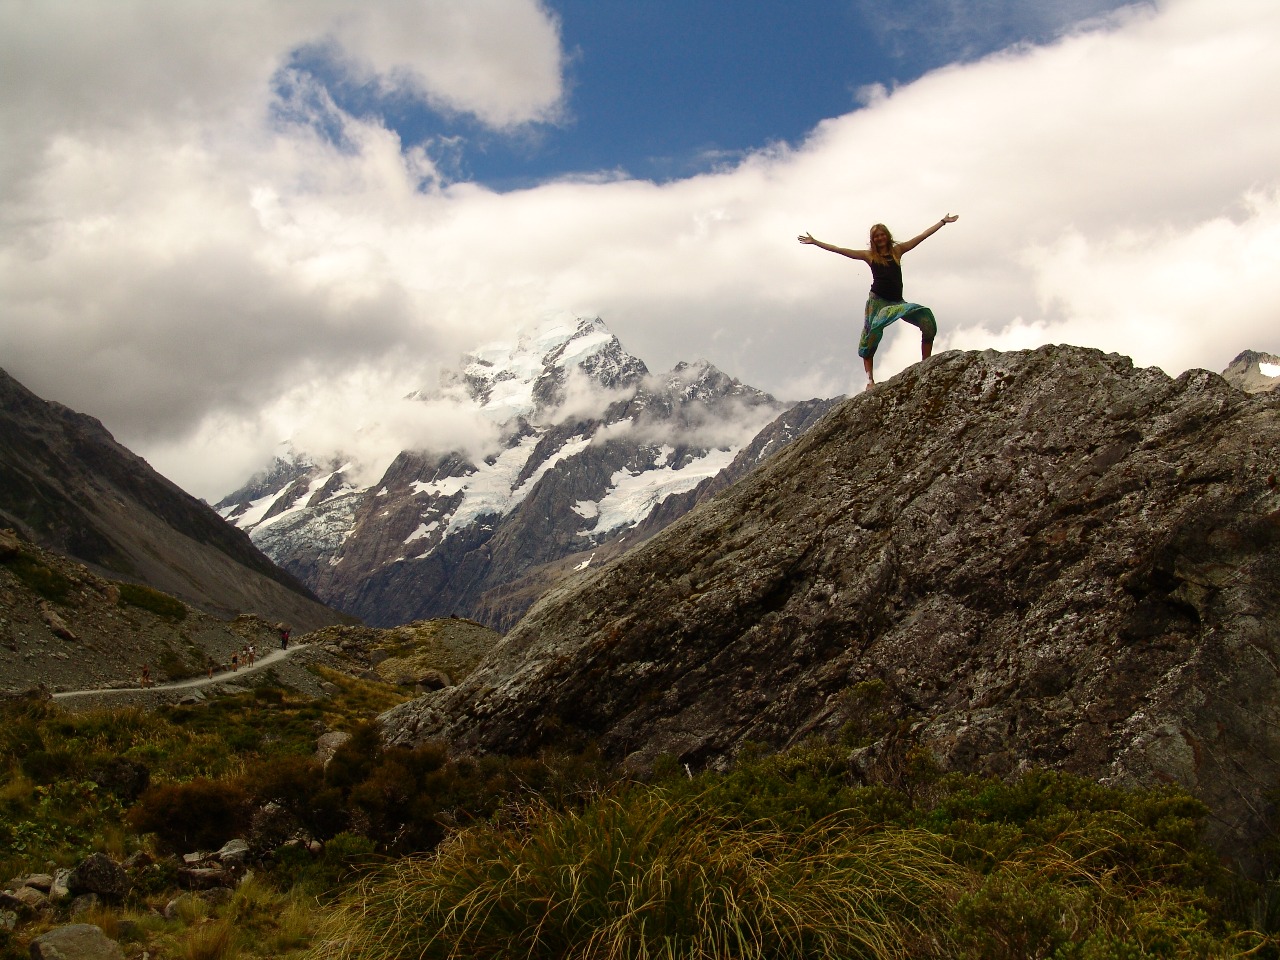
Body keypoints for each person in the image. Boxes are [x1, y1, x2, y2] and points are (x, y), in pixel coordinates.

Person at [798, 214, 958, 390]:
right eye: (876, 236)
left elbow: (922, 236)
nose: (880, 238)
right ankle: (870, 381)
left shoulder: (897, 251)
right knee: (870, 337)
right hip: (877, 302)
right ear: (873, 240)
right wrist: (815, 242)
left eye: (882, 235)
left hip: (897, 302)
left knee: (926, 320)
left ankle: (925, 364)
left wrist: (942, 222)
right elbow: (840, 250)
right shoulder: (870, 256)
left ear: (887, 236)